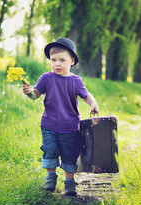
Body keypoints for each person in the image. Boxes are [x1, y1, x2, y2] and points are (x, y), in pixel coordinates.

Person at [22, 37, 99, 196]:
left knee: (69, 154)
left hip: (70, 127)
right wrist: (29, 93)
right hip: (49, 125)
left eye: (62, 60)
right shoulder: (46, 77)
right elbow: (36, 94)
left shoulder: (76, 81)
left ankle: (69, 182)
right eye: (53, 60)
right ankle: (50, 178)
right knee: (50, 150)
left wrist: (93, 103)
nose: (57, 63)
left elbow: (86, 95)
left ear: (71, 61)